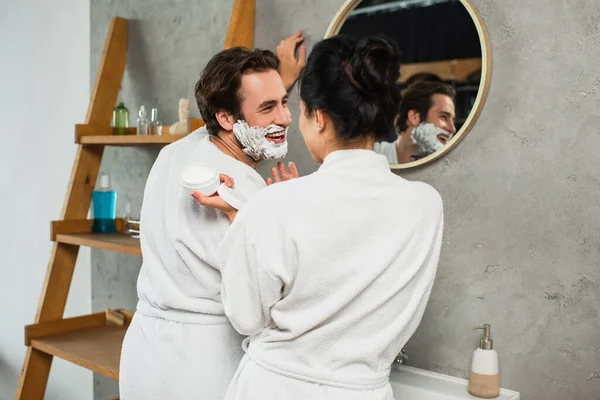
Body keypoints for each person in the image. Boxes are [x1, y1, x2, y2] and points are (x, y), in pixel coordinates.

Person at [195, 34, 444, 400]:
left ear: (320, 117)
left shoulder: (275, 204)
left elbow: (246, 318)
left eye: (296, 109)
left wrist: (253, 214)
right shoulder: (426, 204)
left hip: (276, 388)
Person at [119, 31, 306, 400]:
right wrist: (289, 214)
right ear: (225, 117)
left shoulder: (177, 152)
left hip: (144, 351)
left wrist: (276, 79)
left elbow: (241, 116)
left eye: (285, 102)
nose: (285, 118)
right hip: (206, 363)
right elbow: (264, 306)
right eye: (268, 107)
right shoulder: (244, 190)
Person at [374, 81, 456, 164]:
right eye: (443, 117)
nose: (453, 129)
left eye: (453, 120)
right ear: (415, 117)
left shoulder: (446, 169)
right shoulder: (372, 156)